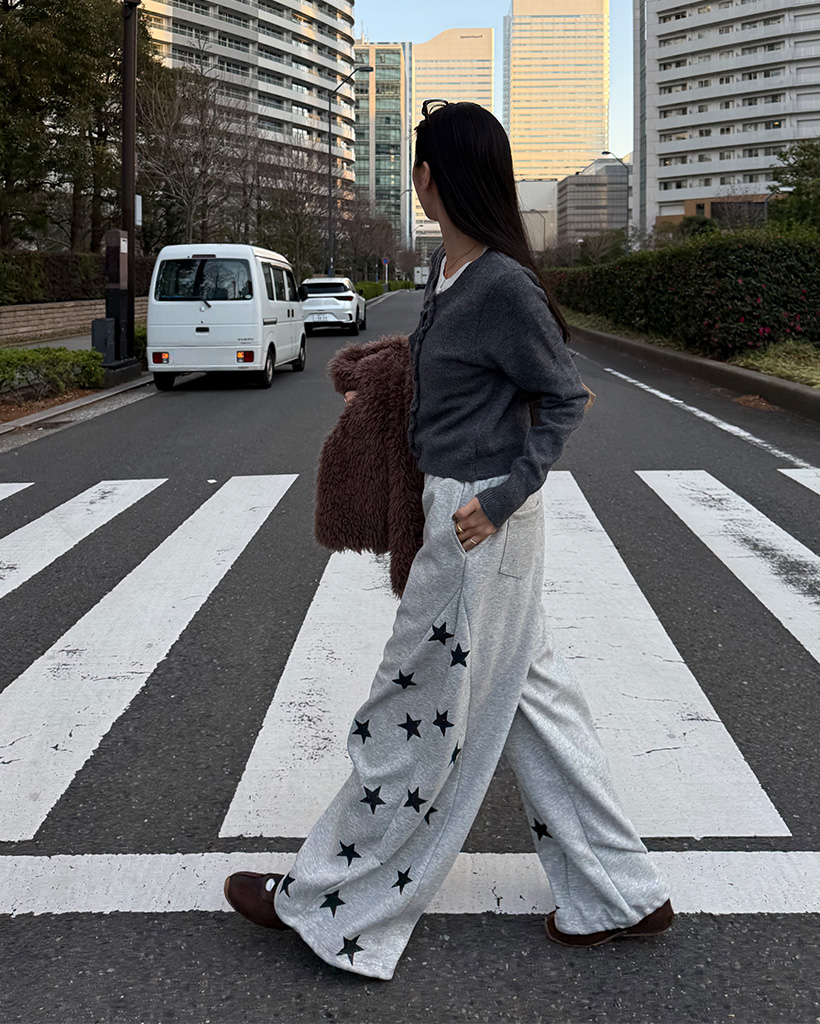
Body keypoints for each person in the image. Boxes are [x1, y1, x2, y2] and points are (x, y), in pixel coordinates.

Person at [224, 100, 673, 981]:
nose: (416, 180)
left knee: (407, 713)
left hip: (477, 523)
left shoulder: (501, 282)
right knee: (536, 710)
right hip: (460, 510)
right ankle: (621, 894)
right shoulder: (449, 273)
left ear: (432, 177)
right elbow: (452, 374)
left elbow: (564, 399)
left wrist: (501, 499)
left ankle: (327, 899)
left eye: (418, 166)